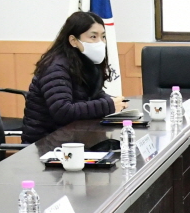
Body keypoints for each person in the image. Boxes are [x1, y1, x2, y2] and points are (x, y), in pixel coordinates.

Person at [21, 10, 119, 143]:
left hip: (72, 139)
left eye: (103, 37)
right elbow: (63, 111)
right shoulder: (55, 67)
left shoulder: (82, 62)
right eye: (93, 37)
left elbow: (93, 93)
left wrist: (115, 102)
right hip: (45, 145)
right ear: (73, 40)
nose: (100, 42)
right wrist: (108, 105)